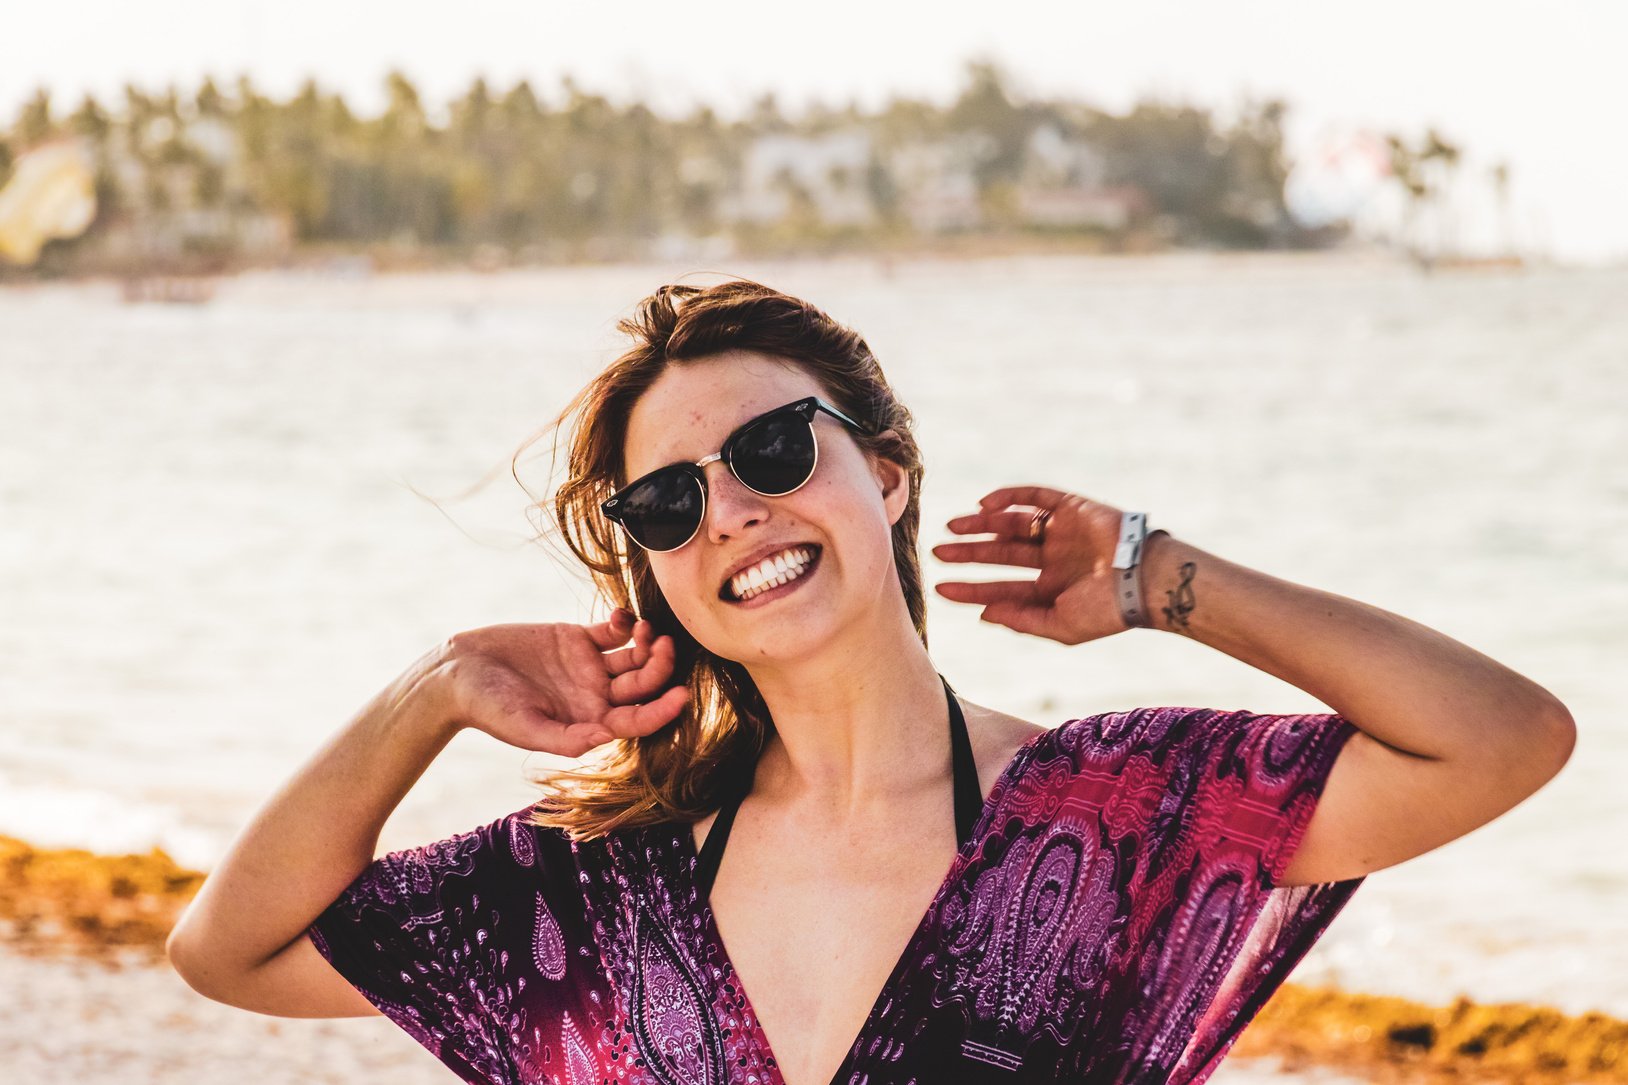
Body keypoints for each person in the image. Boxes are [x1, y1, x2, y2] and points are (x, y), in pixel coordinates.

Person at [166, 279, 1576, 1085]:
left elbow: (1503, 739)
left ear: (884, 472)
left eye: (775, 450)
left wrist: (1160, 580)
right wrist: (432, 691)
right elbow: (226, 947)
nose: (731, 512)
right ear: (652, 567)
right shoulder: (601, 887)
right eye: (667, 503)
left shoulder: (1111, 821)